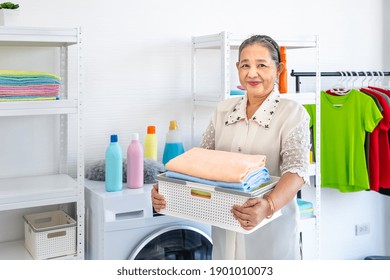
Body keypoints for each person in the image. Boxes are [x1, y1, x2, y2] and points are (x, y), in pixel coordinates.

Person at [152, 35, 311, 260]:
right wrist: (168, 190)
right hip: (225, 227)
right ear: (237, 68)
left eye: (262, 65)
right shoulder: (224, 110)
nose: (252, 73)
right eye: (245, 65)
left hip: (272, 234)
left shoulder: (292, 113)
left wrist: (268, 205)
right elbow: (201, 162)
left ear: (279, 69)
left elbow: (297, 171)